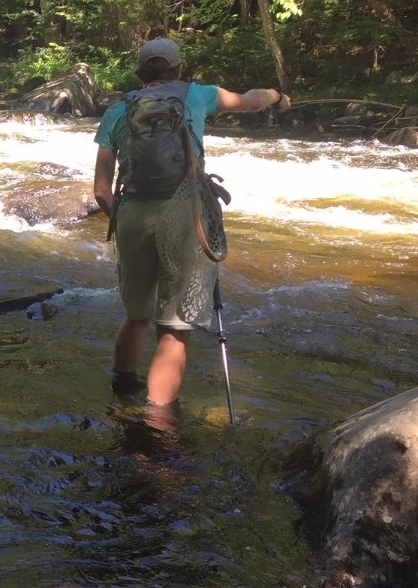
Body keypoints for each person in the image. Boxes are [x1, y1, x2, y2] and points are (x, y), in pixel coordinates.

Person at [92, 37, 290, 407]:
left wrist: (123, 219)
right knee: (175, 327)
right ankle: (157, 422)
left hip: (133, 214)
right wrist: (276, 96)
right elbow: (251, 100)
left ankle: (121, 398)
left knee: (137, 317)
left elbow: (102, 190)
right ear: (179, 69)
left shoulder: (117, 111)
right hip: (186, 214)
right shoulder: (200, 95)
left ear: (139, 73)